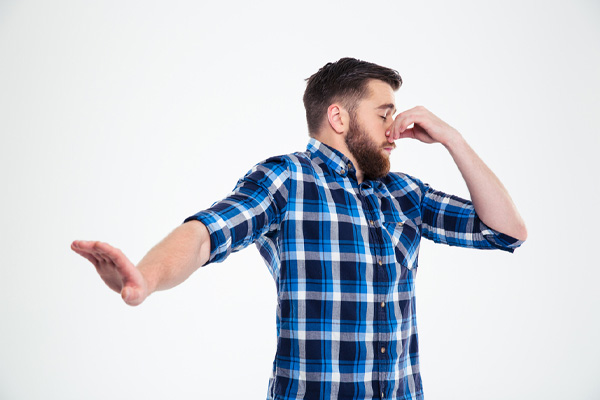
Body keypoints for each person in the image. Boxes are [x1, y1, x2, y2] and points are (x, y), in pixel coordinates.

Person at [71, 57, 527, 400]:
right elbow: (206, 234)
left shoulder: (403, 193)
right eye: (384, 114)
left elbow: (507, 231)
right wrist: (145, 279)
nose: (397, 129)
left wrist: (453, 138)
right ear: (339, 118)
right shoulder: (286, 179)